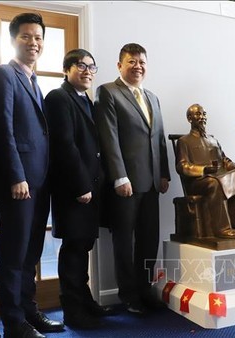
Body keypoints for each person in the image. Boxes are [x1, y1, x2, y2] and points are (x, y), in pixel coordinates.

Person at [0, 13, 64, 338]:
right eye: (26, 37)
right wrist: (16, 176)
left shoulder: (32, 80)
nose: (34, 43)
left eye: (38, 37)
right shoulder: (3, 75)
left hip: (39, 183)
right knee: (14, 255)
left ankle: (29, 312)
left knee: (31, 253)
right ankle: (14, 323)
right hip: (18, 184)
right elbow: (1, 129)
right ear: (13, 40)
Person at [94, 43, 170, 315]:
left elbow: (159, 138)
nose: (137, 66)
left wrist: (164, 174)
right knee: (124, 242)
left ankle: (145, 289)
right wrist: (119, 177)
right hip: (125, 184)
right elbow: (109, 137)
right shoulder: (108, 92)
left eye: (142, 62)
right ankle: (128, 295)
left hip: (151, 183)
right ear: (120, 65)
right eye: (131, 61)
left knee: (149, 239)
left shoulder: (152, 97)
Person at [44, 49, 117, 329]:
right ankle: (73, 312)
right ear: (66, 69)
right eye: (80, 65)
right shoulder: (58, 98)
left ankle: (85, 302)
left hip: (91, 188)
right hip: (74, 189)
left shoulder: (85, 99)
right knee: (73, 249)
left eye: (91, 67)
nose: (87, 71)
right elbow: (64, 145)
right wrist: (81, 185)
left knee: (83, 246)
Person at [176, 104, 235, 239]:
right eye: (197, 114)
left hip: (218, 176)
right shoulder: (184, 141)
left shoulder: (213, 140)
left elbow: (224, 159)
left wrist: (234, 166)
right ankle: (222, 228)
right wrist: (203, 169)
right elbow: (182, 166)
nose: (201, 117)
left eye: (203, 114)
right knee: (214, 183)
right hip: (198, 181)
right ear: (189, 118)